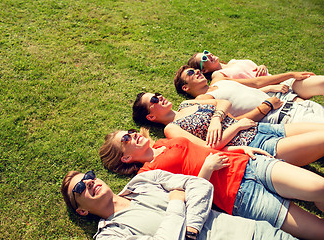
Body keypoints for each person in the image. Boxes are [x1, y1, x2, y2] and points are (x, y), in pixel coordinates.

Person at [98, 129, 324, 239]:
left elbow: (205, 147)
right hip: (238, 197)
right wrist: (206, 170)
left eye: (128, 132)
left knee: (319, 187)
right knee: (318, 231)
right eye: (125, 140)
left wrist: (237, 149)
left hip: (248, 164)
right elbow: (185, 200)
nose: (132, 135)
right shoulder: (147, 176)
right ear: (125, 158)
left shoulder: (165, 141)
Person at [61, 169, 300, 239]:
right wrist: (177, 202)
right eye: (80, 188)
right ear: (82, 210)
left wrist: (191, 230)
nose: (89, 182)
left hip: (253, 233)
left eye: (88, 176)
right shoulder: (109, 236)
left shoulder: (143, 180)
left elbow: (199, 186)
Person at [131, 92, 324, 166]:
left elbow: (224, 102)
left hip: (263, 128)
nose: (159, 97)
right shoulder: (172, 129)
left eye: (156, 94)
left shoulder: (187, 103)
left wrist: (217, 118)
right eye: (154, 100)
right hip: (254, 144)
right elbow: (208, 148)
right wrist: (236, 126)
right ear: (151, 116)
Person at [174, 66, 324, 124]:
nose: (198, 72)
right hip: (284, 117)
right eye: (191, 73)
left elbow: (257, 83)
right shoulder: (203, 100)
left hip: (296, 104)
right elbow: (231, 123)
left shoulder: (220, 80)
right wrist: (266, 107)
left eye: (197, 70)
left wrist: (290, 74)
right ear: (185, 87)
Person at [187, 50, 324, 100]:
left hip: (283, 82)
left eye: (206, 52)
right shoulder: (218, 77)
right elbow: (252, 85)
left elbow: (255, 73)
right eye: (204, 59)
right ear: (204, 71)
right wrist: (290, 74)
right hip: (274, 93)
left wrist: (261, 67)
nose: (208, 55)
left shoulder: (234, 62)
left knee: (321, 83)